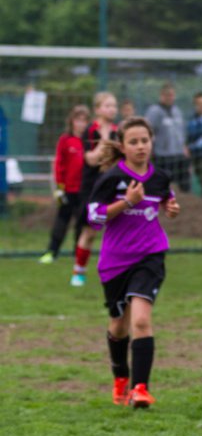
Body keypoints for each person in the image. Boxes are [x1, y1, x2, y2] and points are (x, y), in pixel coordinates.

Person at [84, 117, 180, 409]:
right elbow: (93, 216)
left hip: (150, 256)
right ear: (123, 147)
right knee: (118, 325)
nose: (141, 147)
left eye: (145, 141)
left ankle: (141, 389)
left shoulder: (160, 177)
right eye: (134, 142)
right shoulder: (112, 178)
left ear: (152, 142)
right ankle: (120, 376)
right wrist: (127, 202)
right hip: (115, 262)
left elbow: (167, 199)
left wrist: (170, 207)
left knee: (140, 319)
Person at [71, 91, 120, 288]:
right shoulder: (91, 131)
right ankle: (78, 272)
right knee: (90, 232)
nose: (111, 109)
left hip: (114, 185)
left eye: (114, 106)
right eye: (107, 106)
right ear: (98, 109)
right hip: (93, 187)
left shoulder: (119, 130)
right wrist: (103, 145)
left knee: (118, 231)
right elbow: (90, 159)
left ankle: (116, 270)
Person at [39, 105, 90, 265]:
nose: (81, 124)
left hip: (85, 190)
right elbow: (59, 164)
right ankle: (52, 252)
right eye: (78, 120)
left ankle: (78, 254)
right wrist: (59, 189)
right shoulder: (65, 140)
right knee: (61, 222)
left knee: (81, 224)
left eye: (84, 120)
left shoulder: (90, 141)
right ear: (72, 121)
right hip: (67, 190)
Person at [144, 83, 190, 192]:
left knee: (185, 185)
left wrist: (184, 147)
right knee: (162, 184)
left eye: (172, 95)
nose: (170, 97)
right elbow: (148, 131)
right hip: (162, 156)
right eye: (167, 95)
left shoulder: (177, 111)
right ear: (161, 96)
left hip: (179, 154)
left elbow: (181, 131)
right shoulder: (154, 111)